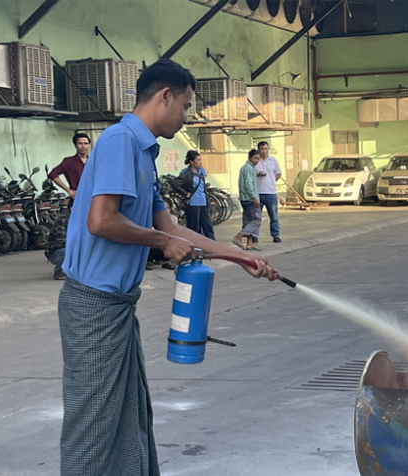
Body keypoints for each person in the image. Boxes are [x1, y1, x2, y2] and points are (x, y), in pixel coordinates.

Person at [58, 58, 277, 476]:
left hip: (117, 307)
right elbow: (101, 220)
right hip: (93, 308)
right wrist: (163, 243)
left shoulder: (144, 153)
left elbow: (169, 225)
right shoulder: (120, 141)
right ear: (165, 96)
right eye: (186, 106)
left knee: (127, 420)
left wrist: (239, 256)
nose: (186, 116)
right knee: (94, 429)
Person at [46, 133, 90, 280]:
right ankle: (63, 268)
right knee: (74, 233)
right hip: (77, 203)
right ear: (75, 145)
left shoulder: (92, 161)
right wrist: (68, 190)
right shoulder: (69, 162)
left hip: (92, 202)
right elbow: (53, 174)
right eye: (80, 143)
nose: (83, 146)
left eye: (86, 143)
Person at [180, 150, 215, 240]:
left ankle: (214, 246)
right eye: (198, 160)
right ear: (191, 162)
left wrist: (207, 202)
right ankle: (195, 247)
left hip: (202, 202)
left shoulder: (201, 171)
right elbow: (175, 183)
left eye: (201, 160)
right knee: (194, 228)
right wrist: (185, 193)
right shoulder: (186, 173)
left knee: (208, 226)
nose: (200, 162)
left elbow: (204, 188)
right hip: (193, 204)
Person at [233, 149, 262, 251]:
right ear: (250, 157)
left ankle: (249, 243)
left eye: (258, 158)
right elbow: (248, 185)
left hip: (246, 198)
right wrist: (254, 197)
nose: (257, 160)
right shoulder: (248, 168)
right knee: (256, 220)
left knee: (248, 220)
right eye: (255, 158)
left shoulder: (249, 168)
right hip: (249, 198)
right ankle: (239, 236)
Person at [254, 141, 282, 243]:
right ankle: (254, 235)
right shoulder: (256, 161)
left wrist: (270, 181)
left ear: (268, 149)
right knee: (257, 217)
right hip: (258, 193)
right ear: (258, 150)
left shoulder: (273, 161)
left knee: (274, 216)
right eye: (262, 149)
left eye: (266, 149)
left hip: (271, 193)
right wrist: (258, 175)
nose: (264, 151)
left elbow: (278, 174)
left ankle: (276, 235)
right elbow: (251, 175)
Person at [146, 198, 177, 270]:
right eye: (163, 208)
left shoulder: (173, 219)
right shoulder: (152, 218)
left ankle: (164, 261)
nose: (166, 210)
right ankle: (149, 261)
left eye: (167, 208)